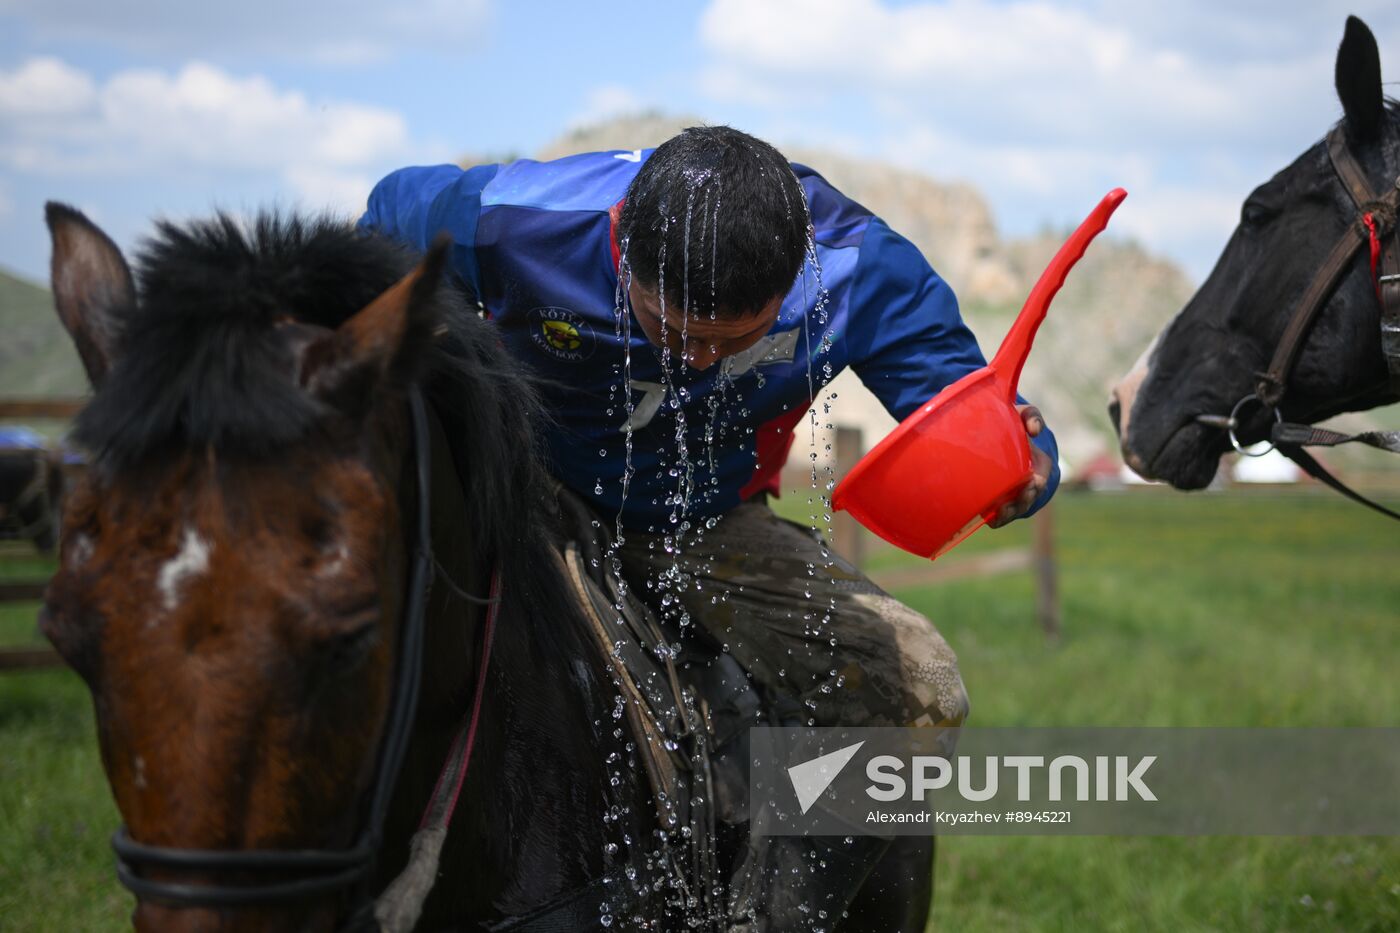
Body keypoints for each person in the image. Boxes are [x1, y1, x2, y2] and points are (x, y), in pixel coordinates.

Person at [360, 125, 1059, 931]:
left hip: (707, 521)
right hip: (529, 490)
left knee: (919, 686)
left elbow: (977, 415)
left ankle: (769, 912)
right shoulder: (520, 219)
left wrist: (1023, 465)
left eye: (733, 343)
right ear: (620, 248)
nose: (695, 362)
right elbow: (387, 215)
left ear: (798, 277)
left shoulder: (860, 267)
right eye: (673, 331)